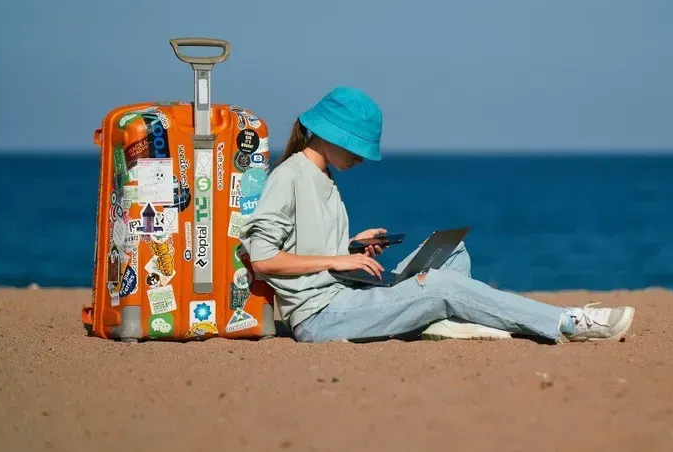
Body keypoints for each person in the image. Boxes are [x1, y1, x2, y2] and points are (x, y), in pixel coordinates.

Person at [239, 86, 636, 343]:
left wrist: (352, 245)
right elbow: (264, 258)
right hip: (321, 316)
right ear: (329, 135)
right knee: (441, 286)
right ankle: (567, 322)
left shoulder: (322, 175)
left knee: (452, 252)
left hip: (347, 292)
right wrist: (338, 258)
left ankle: (432, 321)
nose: (360, 158)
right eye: (356, 148)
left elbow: (305, 244)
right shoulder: (289, 175)